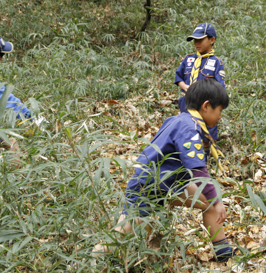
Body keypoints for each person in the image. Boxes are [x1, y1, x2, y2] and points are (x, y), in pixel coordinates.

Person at [98, 79, 234, 262]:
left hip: (171, 185)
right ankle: (88, 260)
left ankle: (224, 253)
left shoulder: (179, 120)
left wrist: (213, 201)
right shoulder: (190, 128)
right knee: (121, 234)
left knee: (208, 204)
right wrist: (217, 201)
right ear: (207, 106)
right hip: (148, 188)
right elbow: (198, 170)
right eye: (220, 111)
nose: (220, 116)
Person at [174, 23, 226, 141]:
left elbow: (220, 87)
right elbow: (178, 77)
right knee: (188, 129)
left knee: (208, 133)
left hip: (206, 105)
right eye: (194, 40)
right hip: (188, 102)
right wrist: (184, 86)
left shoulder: (216, 62)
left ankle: (208, 154)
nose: (196, 43)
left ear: (212, 40)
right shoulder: (188, 59)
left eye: (200, 40)